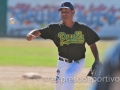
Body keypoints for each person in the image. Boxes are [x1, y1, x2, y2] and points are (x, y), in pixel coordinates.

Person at [26, 1, 100, 90]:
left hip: (78, 61)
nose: (64, 13)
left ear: (73, 12)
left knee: (69, 75)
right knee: (59, 87)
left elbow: (92, 44)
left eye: (67, 11)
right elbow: (39, 31)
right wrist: (30, 34)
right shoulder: (55, 28)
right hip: (62, 62)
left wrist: (96, 60)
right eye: (62, 11)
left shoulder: (82, 28)